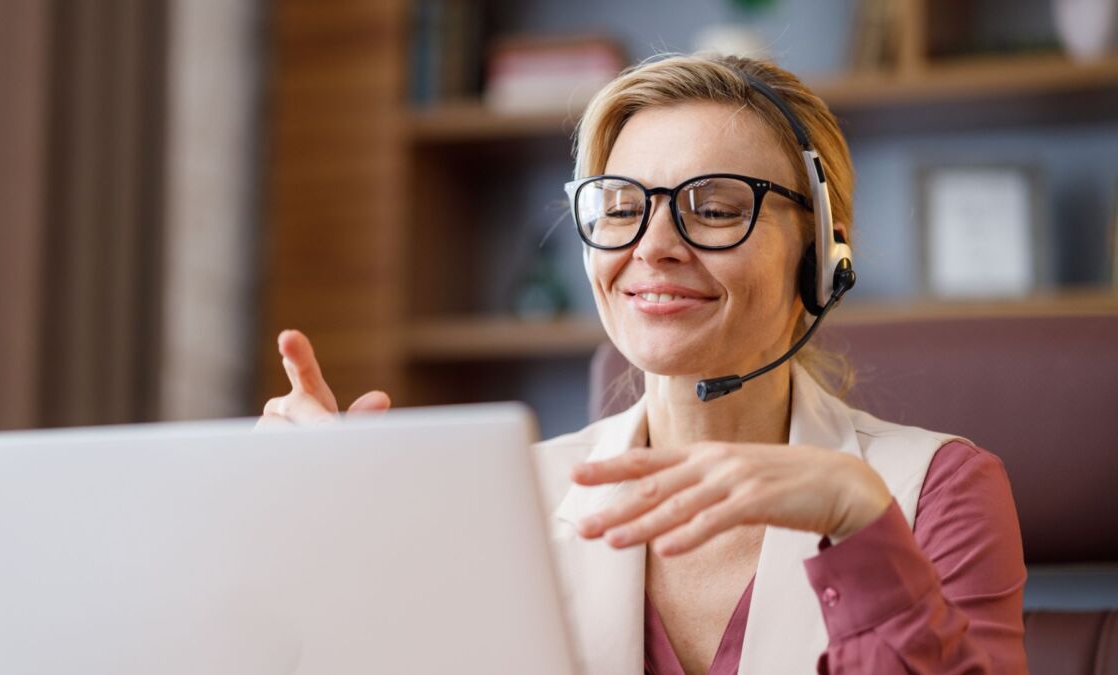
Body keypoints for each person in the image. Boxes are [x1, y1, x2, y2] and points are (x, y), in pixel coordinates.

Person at [258, 54, 1027, 675]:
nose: (652, 245)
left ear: (824, 249)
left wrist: (860, 530)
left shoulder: (934, 490)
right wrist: (332, 542)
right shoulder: (508, 500)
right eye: (622, 206)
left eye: (717, 207)